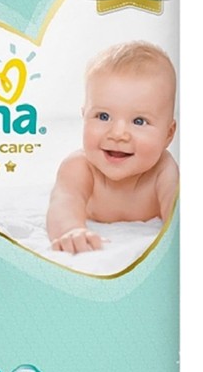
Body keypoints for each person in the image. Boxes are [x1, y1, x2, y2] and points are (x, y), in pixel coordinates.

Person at [47, 41, 178, 254]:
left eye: (139, 121)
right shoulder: (79, 167)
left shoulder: (163, 170)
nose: (118, 134)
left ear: (168, 134)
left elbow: (175, 212)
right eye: (103, 116)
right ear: (84, 116)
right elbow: (64, 203)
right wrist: (71, 230)